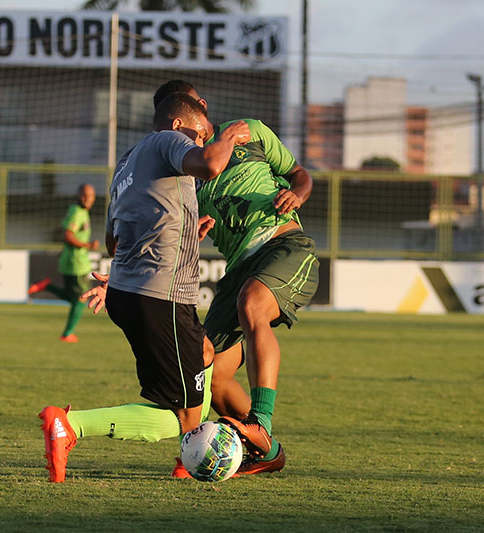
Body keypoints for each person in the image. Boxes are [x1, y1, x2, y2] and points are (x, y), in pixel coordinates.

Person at [38, 94, 251, 482]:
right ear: (178, 125)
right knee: (181, 418)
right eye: (200, 133)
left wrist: (175, 237)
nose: (201, 142)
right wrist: (230, 136)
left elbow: (113, 241)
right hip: (160, 296)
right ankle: (71, 426)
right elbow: (211, 164)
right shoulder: (169, 141)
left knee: (205, 352)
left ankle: (186, 458)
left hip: (134, 291)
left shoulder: (126, 164)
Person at [155, 80, 320, 475]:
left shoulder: (251, 132)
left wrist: (297, 194)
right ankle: (267, 450)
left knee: (252, 304)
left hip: (284, 245)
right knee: (207, 370)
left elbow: (300, 174)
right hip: (238, 269)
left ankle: (260, 423)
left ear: (198, 108)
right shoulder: (186, 172)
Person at [28, 184, 100, 343]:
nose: (87, 199)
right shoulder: (77, 212)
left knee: (71, 296)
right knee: (81, 298)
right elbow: (68, 236)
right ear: (78, 195)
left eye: (90, 196)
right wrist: (88, 245)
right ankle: (67, 333)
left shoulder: (79, 211)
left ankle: (46, 285)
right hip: (76, 263)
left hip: (71, 260)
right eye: (84, 195)